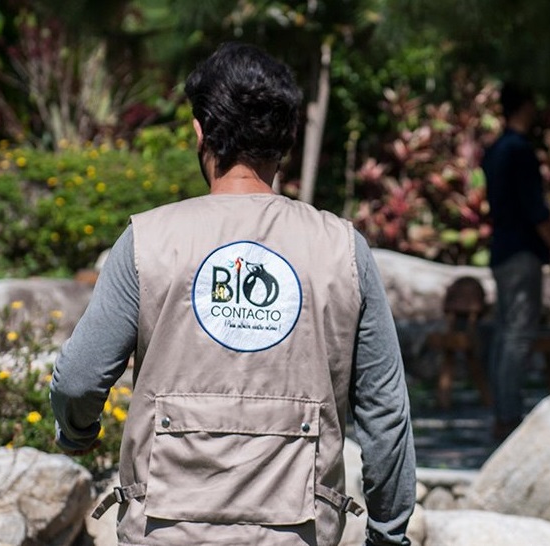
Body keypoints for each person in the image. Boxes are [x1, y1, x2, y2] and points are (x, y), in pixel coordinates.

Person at [50, 42, 415, 546]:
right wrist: (389, 533)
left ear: (200, 131)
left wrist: (77, 433)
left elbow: (78, 379)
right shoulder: (342, 249)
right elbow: (385, 410)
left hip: (164, 529)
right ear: (288, 137)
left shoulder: (149, 240)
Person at [482, 82, 550, 441]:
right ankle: (508, 416)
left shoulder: (494, 150)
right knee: (517, 334)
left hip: (501, 247)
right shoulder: (519, 151)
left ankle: (503, 410)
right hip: (520, 251)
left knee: (506, 332)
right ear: (526, 105)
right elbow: (535, 209)